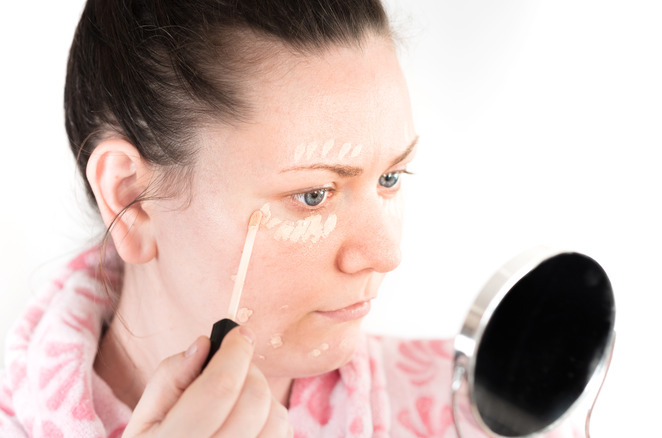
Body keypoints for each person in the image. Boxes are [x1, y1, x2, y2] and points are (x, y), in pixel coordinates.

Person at [0, 0, 585, 436]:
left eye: (389, 178)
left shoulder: (469, 416)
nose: (385, 255)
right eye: (313, 195)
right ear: (132, 196)